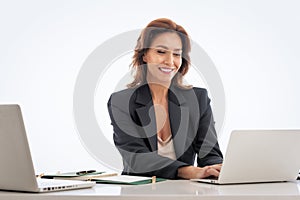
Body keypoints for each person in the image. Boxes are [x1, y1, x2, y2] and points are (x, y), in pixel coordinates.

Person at [107, 18, 223, 179]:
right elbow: (136, 159)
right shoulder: (121, 102)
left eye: (176, 54)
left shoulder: (198, 99)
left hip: (183, 191)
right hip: (139, 191)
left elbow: (209, 153)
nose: (170, 61)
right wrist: (187, 171)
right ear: (145, 55)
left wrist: (215, 169)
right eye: (161, 52)